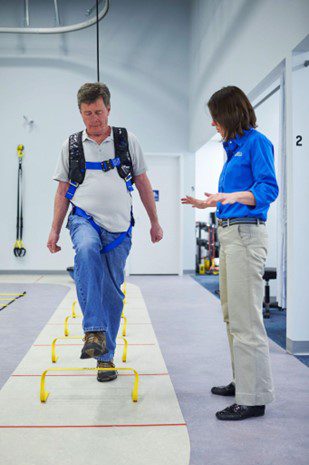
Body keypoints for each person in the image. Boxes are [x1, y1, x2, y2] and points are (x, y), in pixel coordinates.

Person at [47, 82, 163, 382]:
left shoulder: (126, 140)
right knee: (85, 249)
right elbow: (63, 192)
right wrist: (54, 231)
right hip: (84, 218)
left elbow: (142, 182)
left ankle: (105, 358)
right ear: (80, 113)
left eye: (98, 112)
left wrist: (154, 221)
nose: (94, 120)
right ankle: (93, 330)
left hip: (120, 229)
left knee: (112, 293)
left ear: (108, 109)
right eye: (87, 114)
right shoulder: (71, 146)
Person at [182, 86, 278, 421]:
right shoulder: (232, 148)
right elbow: (232, 197)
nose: (213, 123)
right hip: (230, 234)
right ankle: (243, 381)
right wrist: (211, 201)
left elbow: (268, 189)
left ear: (231, 113)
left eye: (216, 116)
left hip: (246, 234)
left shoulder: (257, 143)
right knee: (230, 315)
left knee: (246, 319)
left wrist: (230, 195)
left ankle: (254, 398)